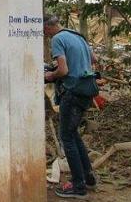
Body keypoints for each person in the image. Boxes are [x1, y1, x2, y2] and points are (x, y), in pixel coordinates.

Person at [44, 16, 97, 200]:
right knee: (73, 134)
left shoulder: (57, 39)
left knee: (66, 137)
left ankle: (78, 186)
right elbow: (94, 59)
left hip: (73, 93)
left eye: (44, 31)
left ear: (48, 26)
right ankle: (88, 176)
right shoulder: (77, 35)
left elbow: (63, 71)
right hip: (87, 90)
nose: (45, 35)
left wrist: (51, 75)